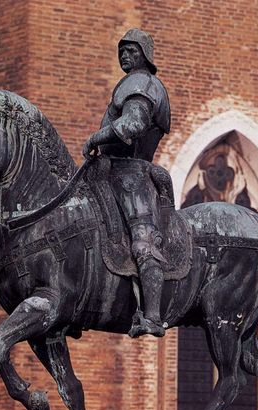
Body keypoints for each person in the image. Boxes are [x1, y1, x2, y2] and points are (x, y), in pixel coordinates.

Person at [82, 28, 171, 337]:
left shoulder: (143, 84)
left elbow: (132, 125)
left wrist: (96, 137)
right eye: (121, 50)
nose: (124, 55)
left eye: (131, 51)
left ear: (144, 55)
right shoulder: (127, 83)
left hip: (133, 175)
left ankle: (152, 316)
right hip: (108, 170)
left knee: (144, 239)